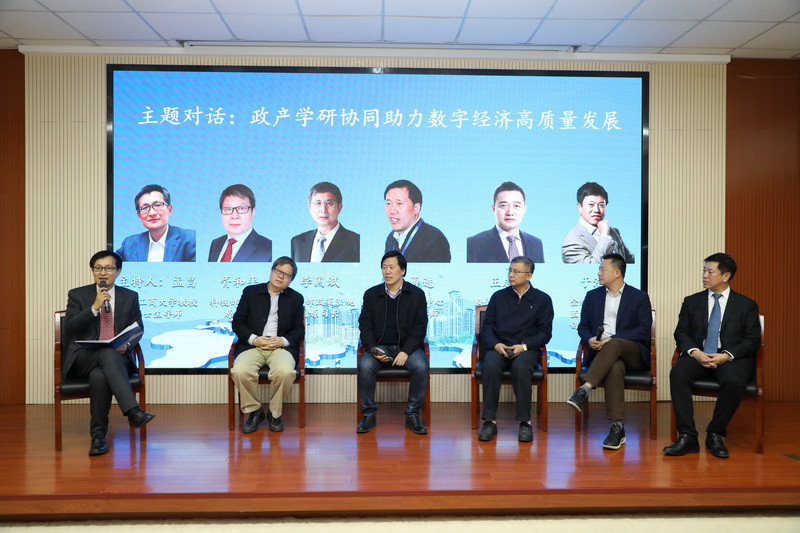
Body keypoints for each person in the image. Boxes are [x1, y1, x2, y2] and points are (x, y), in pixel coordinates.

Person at [664, 253, 760, 459]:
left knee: (734, 380)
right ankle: (688, 436)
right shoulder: (692, 301)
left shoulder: (746, 305)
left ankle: (715, 433)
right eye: (704, 271)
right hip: (698, 355)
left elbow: (752, 340)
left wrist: (726, 356)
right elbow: (681, 333)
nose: (705, 276)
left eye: (710, 272)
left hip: (729, 359)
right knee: (678, 374)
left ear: (726, 276)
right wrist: (696, 353)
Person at [63, 250, 155, 456]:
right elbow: (70, 328)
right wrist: (93, 308)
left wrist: (127, 345)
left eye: (108, 268)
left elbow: (138, 328)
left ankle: (98, 438)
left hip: (116, 360)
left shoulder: (130, 296)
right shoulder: (78, 295)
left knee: (100, 375)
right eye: (98, 268)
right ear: (92, 271)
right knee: (107, 352)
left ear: (118, 271)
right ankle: (132, 411)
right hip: (83, 358)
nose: (103, 273)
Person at [565, 253, 652, 450]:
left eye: (602, 269)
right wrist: (590, 339)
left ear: (617, 272)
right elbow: (583, 326)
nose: (599, 273)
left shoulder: (639, 297)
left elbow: (643, 330)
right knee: (614, 367)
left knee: (614, 343)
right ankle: (617, 428)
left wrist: (610, 339)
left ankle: (585, 388)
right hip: (605, 356)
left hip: (632, 352)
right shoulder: (593, 296)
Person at [478, 256, 553, 443]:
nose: (511, 275)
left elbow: (545, 333)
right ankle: (489, 421)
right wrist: (496, 344)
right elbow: (487, 328)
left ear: (528, 275)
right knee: (490, 365)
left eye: (516, 271)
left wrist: (524, 346)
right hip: (500, 347)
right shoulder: (498, 297)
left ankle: (525, 422)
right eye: (510, 270)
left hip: (526, 349)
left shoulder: (543, 299)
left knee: (521, 367)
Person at [357, 251, 429, 435]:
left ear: (402, 270)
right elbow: (365, 325)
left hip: (408, 348)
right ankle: (368, 415)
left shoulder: (417, 294)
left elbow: (420, 327)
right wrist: (373, 349)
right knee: (365, 366)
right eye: (384, 267)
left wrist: (406, 351)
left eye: (391, 267)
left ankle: (412, 415)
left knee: (421, 366)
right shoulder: (371, 294)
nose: (387, 271)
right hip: (379, 346)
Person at [230, 257, 305, 434]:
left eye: (287, 275)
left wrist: (282, 341)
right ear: (271, 271)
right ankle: (254, 411)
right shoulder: (251, 292)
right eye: (278, 271)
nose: (281, 276)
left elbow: (299, 330)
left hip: (281, 348)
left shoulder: (296, 298)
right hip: (252, 346)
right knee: (239, 371)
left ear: (291, 280)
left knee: (285, 372)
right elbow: (238, 322)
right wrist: (254, 339)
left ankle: (275, 413)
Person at [466, 181, 545, 263]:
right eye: (503, 205)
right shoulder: (473, 244)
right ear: (494, 209)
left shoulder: (536, 244)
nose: (510, 212)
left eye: (516, 206)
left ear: (524, 209)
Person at [117, 184, 196, 262]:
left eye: (158, 205)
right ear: (139, 215)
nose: (152, 213)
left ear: (169, 209)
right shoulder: (129, 244)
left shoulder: (191, 239)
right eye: (145, 208)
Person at [561, 182, 634, 264]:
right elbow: (588, 268)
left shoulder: (614, 232)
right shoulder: (571, 240)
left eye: (601, 205)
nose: (596, 210)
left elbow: (630, 261)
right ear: (580, 207)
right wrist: (604, 237)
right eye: (591, 204)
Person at [291, 181, 360, 262]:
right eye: (318, 203)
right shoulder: (297, 242)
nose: (323, 210)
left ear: (340, 207)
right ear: (310, 208)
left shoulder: (356, 242)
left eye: (329, 203)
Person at [383, 179, 450, 263]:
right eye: (388, 203)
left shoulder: (434, 239)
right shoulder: (391, 238)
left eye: (399, 203)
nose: (392, 210)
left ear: (416, 208)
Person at [208, 184, 272, 262]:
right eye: (228, 209)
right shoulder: (215, 244)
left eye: (241, 208)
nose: (234, 216)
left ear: (253, 212)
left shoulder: (268, 248)